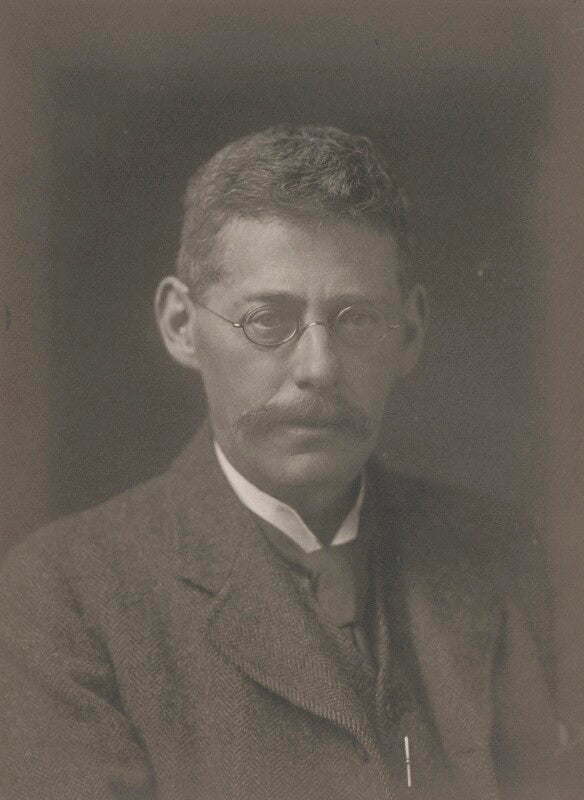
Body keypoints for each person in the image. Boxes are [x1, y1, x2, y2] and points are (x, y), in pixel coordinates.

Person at [0, 126, 576, 800]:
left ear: (411, 331)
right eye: (268, 321)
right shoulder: (63, 597)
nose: (319, 369)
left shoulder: (500, 555)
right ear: (181, 325)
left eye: (356, 319)